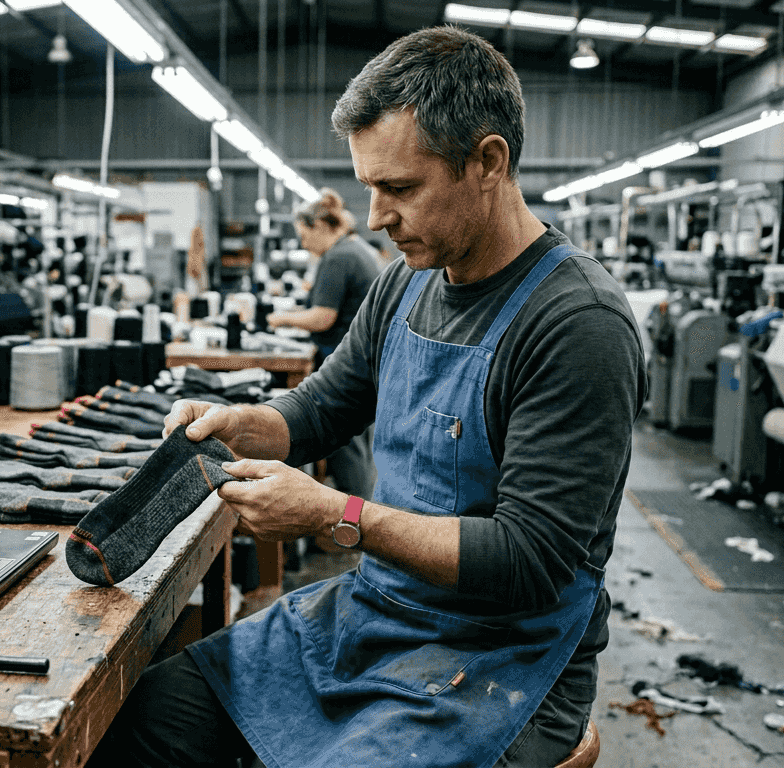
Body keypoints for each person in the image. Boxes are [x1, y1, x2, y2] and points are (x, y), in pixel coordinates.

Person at [88, 25, 646, 768]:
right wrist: (244, 425)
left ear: (488, 161)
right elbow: (321, 409)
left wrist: (334, 513)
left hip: (501, 659)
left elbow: (529, 559)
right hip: (376, 616)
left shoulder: (578, 323)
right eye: (369, 188)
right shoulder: (406, 282)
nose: (376, 217)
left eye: (401, 188)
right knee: (149, 718)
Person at [268, 189, 381, 499]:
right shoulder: (354, 249)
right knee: (357, 447)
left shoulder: (338, 256)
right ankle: (358, 520)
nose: (304, 244)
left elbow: (322, 318)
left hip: (345, 360)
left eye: (304, 236)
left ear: (319, 226)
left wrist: (282, 318)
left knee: (346, 448)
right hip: (363, 360)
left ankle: (357, 529)